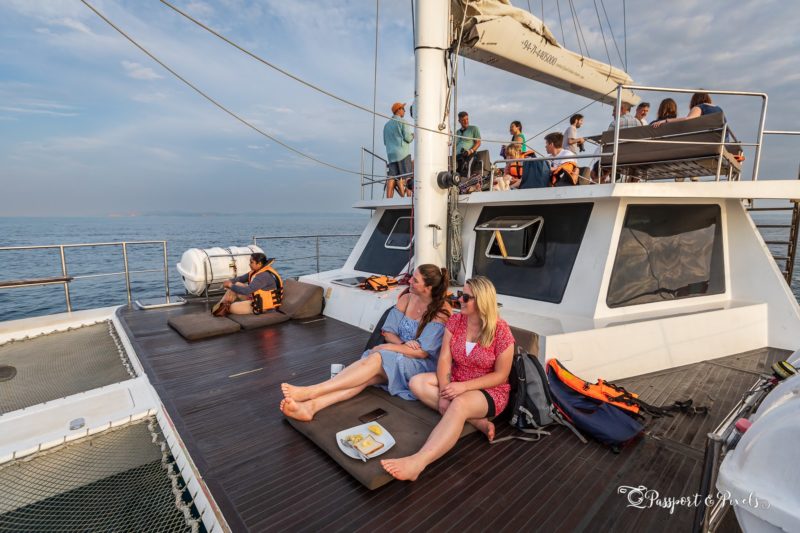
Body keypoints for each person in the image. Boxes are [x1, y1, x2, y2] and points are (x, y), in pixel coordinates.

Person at [381, 277, 515, 481]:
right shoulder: (456, 321)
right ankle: (476, 421)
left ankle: (419, 462)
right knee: (417, 382)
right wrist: (445, 390)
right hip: (456, 379)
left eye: (466, 297)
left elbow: (501, 375)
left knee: (459, 404)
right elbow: (444, 358)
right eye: (460, 294)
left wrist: (462, 388)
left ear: (482, 301)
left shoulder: (501, 331)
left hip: (488, 389)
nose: (459, 299)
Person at [280, 265, 451, 421]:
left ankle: (313, 391)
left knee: (377, 356)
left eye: (415, 280)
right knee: (366, 378)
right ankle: (310, 407)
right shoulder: (406, 299)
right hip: (399, 354)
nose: (410, 282)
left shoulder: (442, 310)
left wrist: (388, 346)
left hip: (419, 365)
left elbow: (422, 352)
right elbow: (388, 331)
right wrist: (401, 345)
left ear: (428, 288)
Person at [211, 253, 282, 317]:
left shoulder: (263, 276)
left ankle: (223, 307)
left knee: (231, 307)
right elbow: (241, 278)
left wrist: (230, 285)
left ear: (259, 264)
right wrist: (230, 281)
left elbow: (246, 291)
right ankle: (220, 306)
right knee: (237, 284)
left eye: (251, 262)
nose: (249, 264)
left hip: (262, 306)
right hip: (256, 298)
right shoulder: (256, 271)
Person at [383, 102, 414, 198]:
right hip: (402, 154)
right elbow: (408, 138)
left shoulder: (386, 125)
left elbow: (385, 142)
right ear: (398, 110)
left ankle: (388, 198)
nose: (404, 111)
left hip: (391, 155)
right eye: (403, 109)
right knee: (407, 175)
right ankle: (409, 197)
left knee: (392, 177)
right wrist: (413, 135)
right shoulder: (402, 122)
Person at [653, 92, 723, 128]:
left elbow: (688, 120)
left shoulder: (699, 107)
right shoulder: (719, 108)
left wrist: (666, 120)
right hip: (722, 139)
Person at [455, 111, 481, 175]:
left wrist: (470, 151)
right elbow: (453, 145)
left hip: (469, 155)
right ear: (459, 121)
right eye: (463, 120)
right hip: (457, 157)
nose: (466, 121)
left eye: (467, 119)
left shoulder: (474, 128)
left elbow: (478, 142)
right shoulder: (457, 132)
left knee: (467, 168)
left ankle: (467, 181)